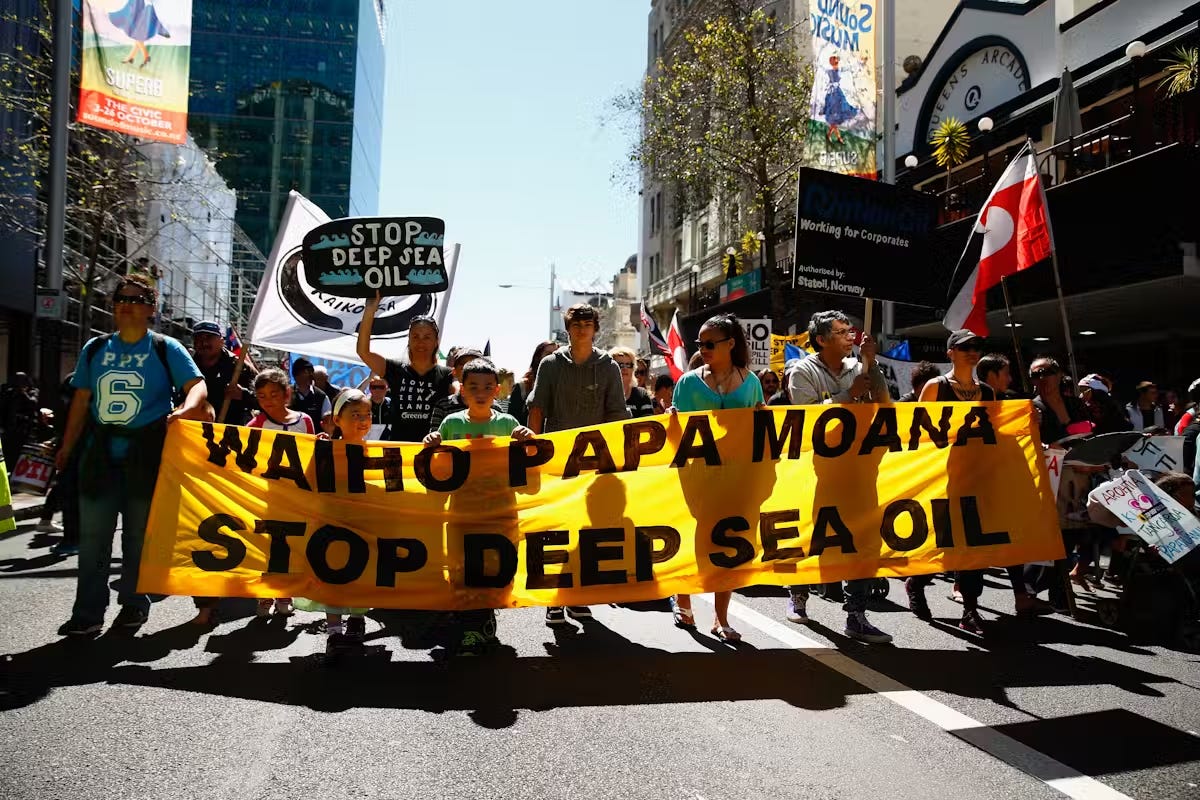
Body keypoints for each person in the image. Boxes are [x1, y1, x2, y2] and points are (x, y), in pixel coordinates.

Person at [55, 274, 208, 635]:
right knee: (93, 538)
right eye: (121, 298)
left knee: (139, 536)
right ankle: (88, 613)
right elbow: (81, 400)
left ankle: (135, 604)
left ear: (151, 309)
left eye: (137, 299)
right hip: (100, 454)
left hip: (148, 452)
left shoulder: (165, 346)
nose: (126, 304)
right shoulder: (95, 348)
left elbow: (196, 384)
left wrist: (187, 407)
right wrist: (67, 445)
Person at [785, 310, 892, 644]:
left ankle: (856, 614)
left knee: (860, 539)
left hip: (859, 470)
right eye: (842, 332)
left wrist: (871, 364)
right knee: (813, 537)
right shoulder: (803, 371)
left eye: (851, 331)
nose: (851, 336)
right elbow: (808, 418)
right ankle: (799, 593)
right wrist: (849, 395)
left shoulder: (860, 367)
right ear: (821, 339)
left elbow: (885, 404)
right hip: (818, 473)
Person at [423, 359, 535, 655]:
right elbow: (439, 467)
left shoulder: (508, 424)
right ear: (462, 390)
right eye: (473, 386)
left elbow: (530, 461)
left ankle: (480, 622)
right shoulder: (452, 424)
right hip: (462, 510)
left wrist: (529, 439)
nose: (480, 392)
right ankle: (473, 625)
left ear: (497, 391)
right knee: (462, 568)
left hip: (500, 511)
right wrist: (431, 445)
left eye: (487, 387)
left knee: (496, 568)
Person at [527, 303, 630, 626]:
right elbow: (537, 410)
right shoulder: (550, 364)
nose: (582, 328)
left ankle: (580, 596)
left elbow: (617, 415)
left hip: (595, 464)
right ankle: (554, 599)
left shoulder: (609, 366)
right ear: (567, 327)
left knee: (589, 530)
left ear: (596, 328)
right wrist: (532, 454)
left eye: (588, 323)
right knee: (555, 529)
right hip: (556, 463)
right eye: (576, 323)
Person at [668, 315, 764, 642]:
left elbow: (760, 430)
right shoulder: (688, 383)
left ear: (730, 344)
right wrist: (671, 424)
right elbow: (677, 438)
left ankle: (721, 619)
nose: (703, 349)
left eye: (710, 343)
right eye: (700, 344)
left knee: (732, 543)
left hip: (737, 478)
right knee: (697, 537)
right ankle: (683, 597)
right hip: (699, 477)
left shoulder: (751, 382)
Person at [904, 330, 997, 634]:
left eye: (977, 347)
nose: (972, 351)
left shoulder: (987, 392)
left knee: (973, 545)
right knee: (942, 541)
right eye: (965, 347)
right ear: (950, 353)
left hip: (974, 478)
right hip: (941, 479)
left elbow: (993, 435)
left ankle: (970, 608)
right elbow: (918, 434)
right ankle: (916, 582)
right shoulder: (935, 387)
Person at [294, 390, 374, 655]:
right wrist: (318, 452)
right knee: (331, 576)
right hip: (330, 524)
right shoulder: (324, 449)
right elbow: (306, 481)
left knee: (361, 575)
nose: (363, 420)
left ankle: (357, 619)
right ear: (337, 420)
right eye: (355, 415)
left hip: (363, 524)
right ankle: (334, 632)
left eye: (367, 414)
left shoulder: (377, 450)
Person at [359, 298, 455, 443]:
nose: (421, 342)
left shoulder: (447, 374)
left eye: (427, 337)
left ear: (436, 341)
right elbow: (363, 352)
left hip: (433, 452)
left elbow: (462, 393)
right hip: (399, 452)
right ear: (408, 340)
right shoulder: (394, 369)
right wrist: (370, 310)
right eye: (415, 336)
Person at [191, 320, 257, 425]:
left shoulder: (240, 367)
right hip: (195, 430)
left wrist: (243, 395)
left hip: (231, 432)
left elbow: (263, 401)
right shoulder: (187, 365)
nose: (204, 343)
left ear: (221, 341)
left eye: (209, 337)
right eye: (198, 338)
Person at [1030, 357, 1090, 445]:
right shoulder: (1031, 409)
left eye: (1046, 372)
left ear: (1059, 375)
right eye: (1035, 375)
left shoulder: (1075, 403)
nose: (1042, 378)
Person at [428, 347, 487, 431]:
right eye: (463, 367)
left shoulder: (494, 406)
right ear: (454, 372)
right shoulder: (443, 407)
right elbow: (434, 439)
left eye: (475, 366)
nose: (469, 371)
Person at [507, 341, 558, 428]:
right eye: (549, 354)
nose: (553, 358)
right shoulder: (523, 386)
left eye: (556, 355)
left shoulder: (562, 385)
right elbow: (513, 421)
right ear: (538, 358)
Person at [0, 371, 39, 470]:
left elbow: (32, 404)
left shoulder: (32, 391)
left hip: (25, 429)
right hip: (10, 429)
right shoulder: (9, 392)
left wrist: (22, 393)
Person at [289, 357, 332, 433]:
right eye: (305, 372)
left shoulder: (321, 396)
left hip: (315, 441)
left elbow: (327, 422)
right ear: (296, 376)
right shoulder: (287, 393)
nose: (310, 375)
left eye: (311, 371)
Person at [611, 346, 655, 418]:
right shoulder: (602, 394)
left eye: (628, 365)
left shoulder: (641, 395)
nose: (625, 368)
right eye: (620, 365)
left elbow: (647, 424)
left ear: (633, 369)